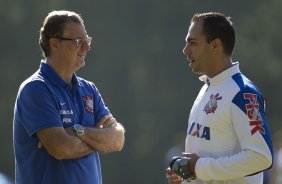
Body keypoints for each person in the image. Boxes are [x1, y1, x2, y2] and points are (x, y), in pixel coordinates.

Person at [13, 10, 125, 184]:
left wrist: (78, 131)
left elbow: (118, 139)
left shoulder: (89, 89)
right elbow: (61, 148)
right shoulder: (34, 89)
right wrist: (99, 140)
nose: (86, 48)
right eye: (79, 42)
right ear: (55, 43)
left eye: (87, 41)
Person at [166, 12, 273, 184]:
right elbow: (204, 158)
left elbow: (261, 157)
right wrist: (185, 174)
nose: (185, 50)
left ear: (215, 45)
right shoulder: (207, 87)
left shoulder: (243, 93)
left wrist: (199, 168)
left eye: (192, 43)